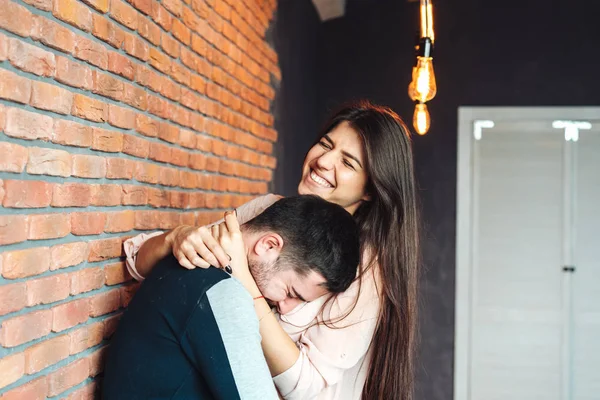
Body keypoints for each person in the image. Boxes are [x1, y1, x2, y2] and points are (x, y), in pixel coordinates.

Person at [123, 100, 421, 400]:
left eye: (347, 162)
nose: (324, 161)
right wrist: (178, 238)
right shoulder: (269, 210)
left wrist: (242, 277)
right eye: (325, 144)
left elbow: (308, 390)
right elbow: (137, 261)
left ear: (370, 188)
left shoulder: (364, 273)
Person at [103, 196, 360, 399]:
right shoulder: (223, 293)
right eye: (291, 292)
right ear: (268, 245)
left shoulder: (197, 266)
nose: (285, 308)